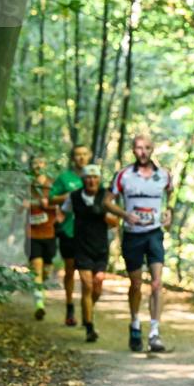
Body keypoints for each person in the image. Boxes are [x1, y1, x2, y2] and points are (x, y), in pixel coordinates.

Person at [104, 134, 173, 353]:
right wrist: (124, 214)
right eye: (139, 148)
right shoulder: (123, 175)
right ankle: (135, 323)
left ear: (153, 149)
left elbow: (170, 195)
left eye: (147, 148)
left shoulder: (163, 175)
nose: (143, 152)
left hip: (154, 233)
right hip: (132, 235)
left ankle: (154, 332)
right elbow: (107, 201)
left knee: (156, 283)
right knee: (136, 284)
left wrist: (169, 212)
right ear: (133, 150)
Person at [61, 164, 114, 343]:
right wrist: (60, 229)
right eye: (88, 178)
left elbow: (115, 221)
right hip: (81, 246)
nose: (92, 181)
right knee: (87, 284)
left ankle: (87, 311)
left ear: (99, 179)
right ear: (83, 180)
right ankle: (90, 328)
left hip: (100, 248)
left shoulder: (106, 196)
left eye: (95, 177)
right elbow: (63, 213)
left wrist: (105, 215)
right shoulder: (74, 196)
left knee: (97, 285)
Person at [50, 144, 92, 326]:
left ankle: (87, 311)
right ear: (73, 158)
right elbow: (51, 198)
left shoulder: (94, 176)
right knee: (70, 269)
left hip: (89, 233)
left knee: (88, 275)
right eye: (77, 155)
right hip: (69, 230)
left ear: (89, 156)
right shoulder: (64, 178)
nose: (81, 158)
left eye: (84, 154)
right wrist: (69, 195)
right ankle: (69, 306)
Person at [27, 156, 59, 320]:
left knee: (46, 270)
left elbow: (62, 205)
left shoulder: (52, 185)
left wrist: (49, 204)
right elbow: (16, 208)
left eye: (41, 162)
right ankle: (39, 304)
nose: (38, 165)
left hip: (49, 232)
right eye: (34, 163)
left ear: (45, 165)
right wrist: (24, 205)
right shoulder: (27, 185)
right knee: (37, 267)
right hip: (32, 234)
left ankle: (41, 290)